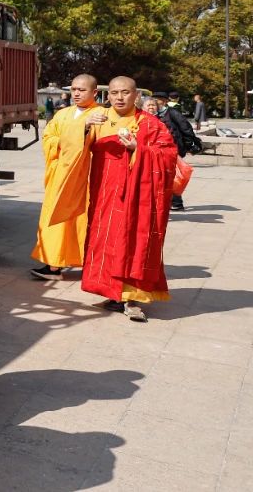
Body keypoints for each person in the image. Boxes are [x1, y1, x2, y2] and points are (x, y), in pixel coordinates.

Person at [82, 77, 176, 323]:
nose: (119, 97)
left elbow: (168, 155)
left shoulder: (150, 124)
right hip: (104, 191)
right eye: (114, 93)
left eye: (125, 92)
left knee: (133, 240)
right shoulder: (98, 118)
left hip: (137, 195)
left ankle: (132, 298)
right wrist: (83, 127)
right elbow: (74, 150)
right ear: (108, 95)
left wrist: (138, 148)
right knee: (105, 240)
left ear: (136, 95)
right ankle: (112, 293)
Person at [30, 74, 104, 281]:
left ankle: (89, 264)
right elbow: (48, 138)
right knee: (55, 220)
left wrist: (81, 130)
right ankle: (54, 263)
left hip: (84, 178)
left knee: (82, 222)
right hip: (60, 176)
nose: (76, 94)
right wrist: (79, 129)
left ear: (94, 92)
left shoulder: (101, 114)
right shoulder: (63, 114)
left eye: (82, 90)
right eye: (74, 89)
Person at [152, 91, 202, 210]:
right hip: (162, 149)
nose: (155, 102)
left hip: (174, 149)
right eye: (154, 100)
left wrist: (189, 144)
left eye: (157, 100)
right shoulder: (155, 114)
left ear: (164, 101)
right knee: (167, 176)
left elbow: (186, 128)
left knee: (173, 175)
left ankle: (177, 203)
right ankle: (171, 202)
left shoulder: (173, 113)